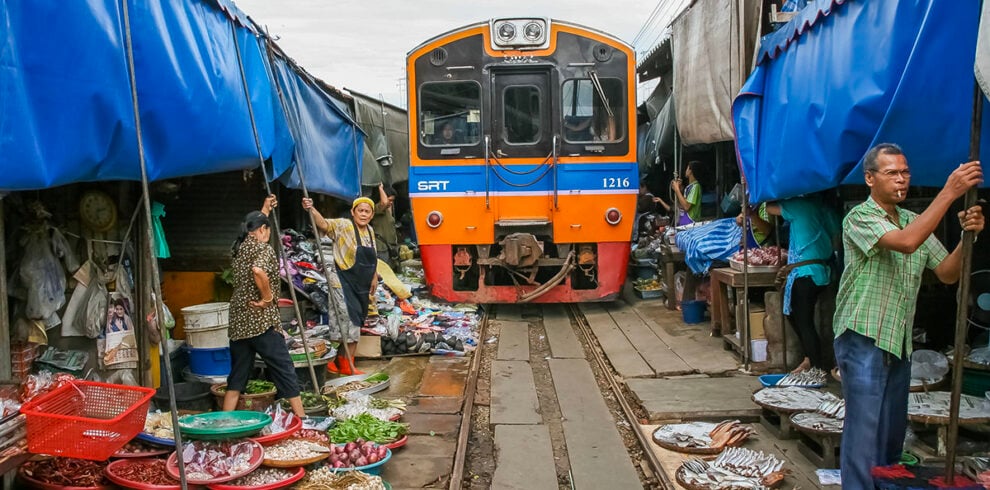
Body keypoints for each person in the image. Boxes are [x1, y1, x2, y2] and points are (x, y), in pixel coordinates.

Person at [833, 143, 984, 488]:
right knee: (864, 429)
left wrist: (967, 236)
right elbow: (905, 243)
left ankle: (884, 484)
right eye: (892, 173)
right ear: (870, 179)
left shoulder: (915, 222)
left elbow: (947, 272)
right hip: (863, 337)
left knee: (890, 431)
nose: (901, 180)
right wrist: (948, 193)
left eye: (905, 173)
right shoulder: (859, 217)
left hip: (897, 340)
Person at [226, 195, 305, 418]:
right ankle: (302, 418)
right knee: (284, 369)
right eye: (267, 230)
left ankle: (223, 421)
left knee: (238, 376)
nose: (268, 235)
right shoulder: (264, 249)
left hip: (240, 324)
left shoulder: (240, 247)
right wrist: (268, 298)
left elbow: (257, 226)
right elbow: (259, 271)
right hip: (262, 323)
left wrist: (265, 208)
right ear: (262, 230)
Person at [302, 195, 378, 376]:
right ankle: (345, 364)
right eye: (360, 210)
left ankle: (339, 361)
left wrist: (374, 276)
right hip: (342, 281)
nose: (364, 214)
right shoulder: (344, 226)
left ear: (372, 215)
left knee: (355, 320)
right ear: (353, 212)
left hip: (361, 284)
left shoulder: (370, 231)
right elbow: (323, 225)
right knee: (348, 321)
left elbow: (373, 256)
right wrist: (311, 209)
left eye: (367, 211)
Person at [764, 194, 840, 373]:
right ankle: (809, 359)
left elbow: (770, 208)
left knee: (804, 322)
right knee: (795, 316)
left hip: (805, 273)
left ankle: (816, 367)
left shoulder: (798, 205)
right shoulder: (826, 208)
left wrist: (768, 193)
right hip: (822, 271)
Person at [373, 183, 399, 268]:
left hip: (389, 248)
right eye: (390, 200)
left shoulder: (387, 211)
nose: (390, 203)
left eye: (392, 201)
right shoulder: (376, 208)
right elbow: (384, 202)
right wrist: (380, 188)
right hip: (381, 248)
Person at [672, 161, 703, 225]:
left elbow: (686, 206)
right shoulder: (689, 187)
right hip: (685, 218)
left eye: (687, 168)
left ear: (690, 171)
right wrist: (679, 190)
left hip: (691, 221)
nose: (686, 170)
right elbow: (682, 204)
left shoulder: (695, 187)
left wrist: (677, 189)